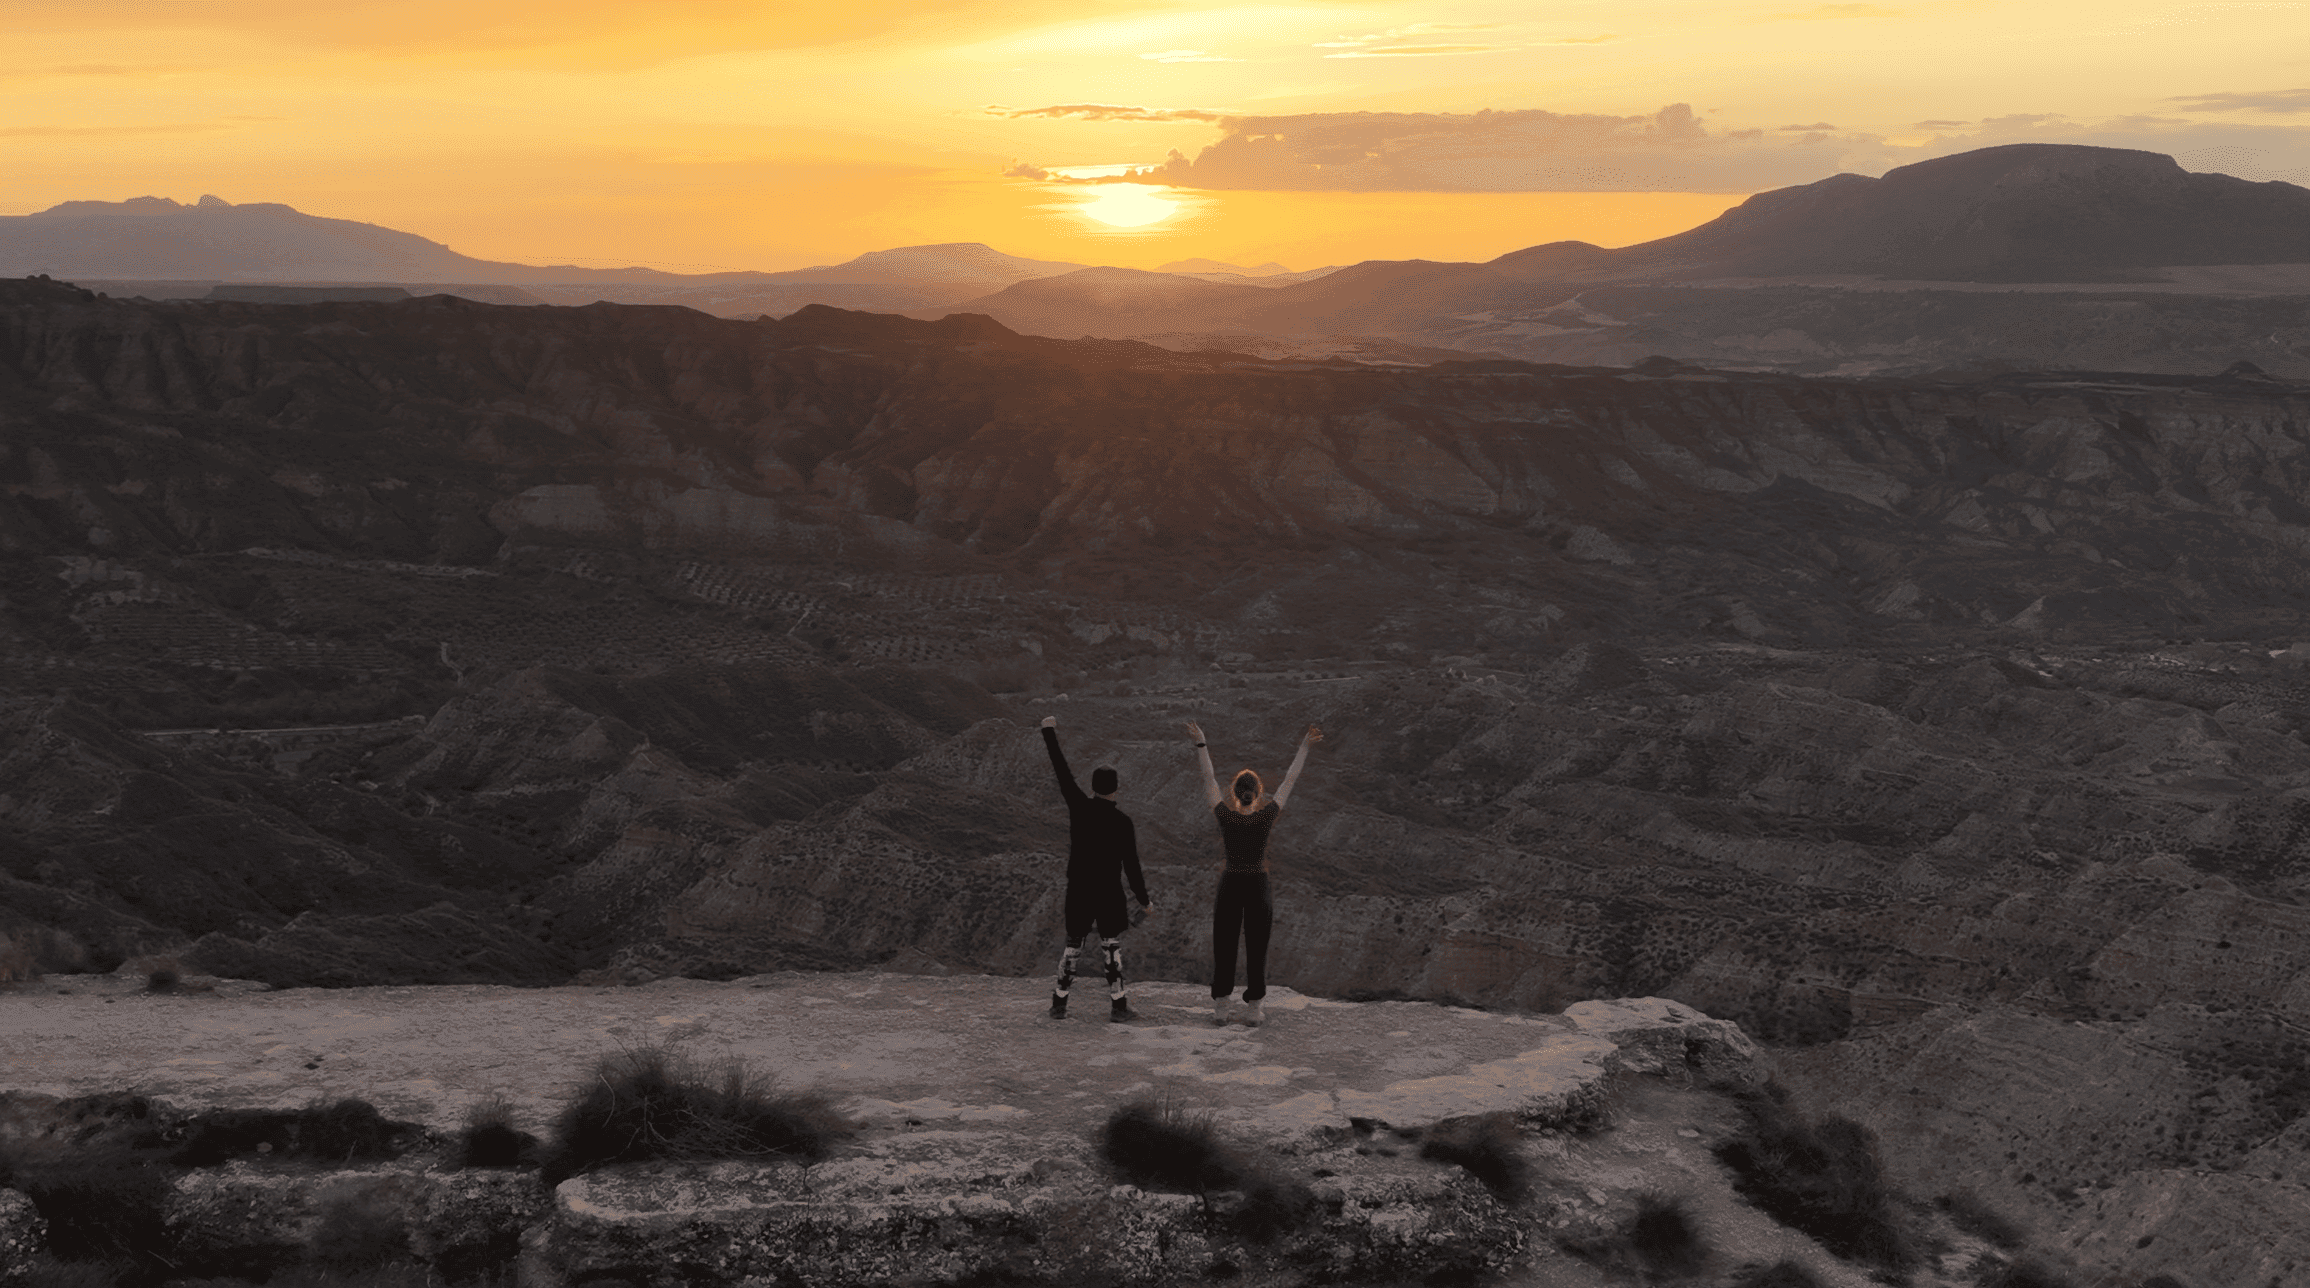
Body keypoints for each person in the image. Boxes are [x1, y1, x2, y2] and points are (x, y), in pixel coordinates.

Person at [1184, 720, 1321, 1027]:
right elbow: (1289, 780)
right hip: (1258, 884)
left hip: (1231, 882)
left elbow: (1208, 779)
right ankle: (1253, 1009)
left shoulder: (1225, 817)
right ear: (1258, 794)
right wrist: (1305, 746)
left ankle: (1221, 1007)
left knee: (1225, 943)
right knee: (1257, 944)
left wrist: (1201, 743)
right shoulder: (1265, 819)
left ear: (1235, 793)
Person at [1040, 715, 1152, 1021]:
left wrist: (1048, 731)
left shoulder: (1079, 808)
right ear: (1116, 788)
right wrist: (1144, 900)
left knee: (1072, 947)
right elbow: (1132, 866)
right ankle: (1118, 1006)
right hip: (1107, 893)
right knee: (1111, 949)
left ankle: (1059, 1003)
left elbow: (1061, 771)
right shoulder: (1122, 823)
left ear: (1093, 787)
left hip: (1078, 889)